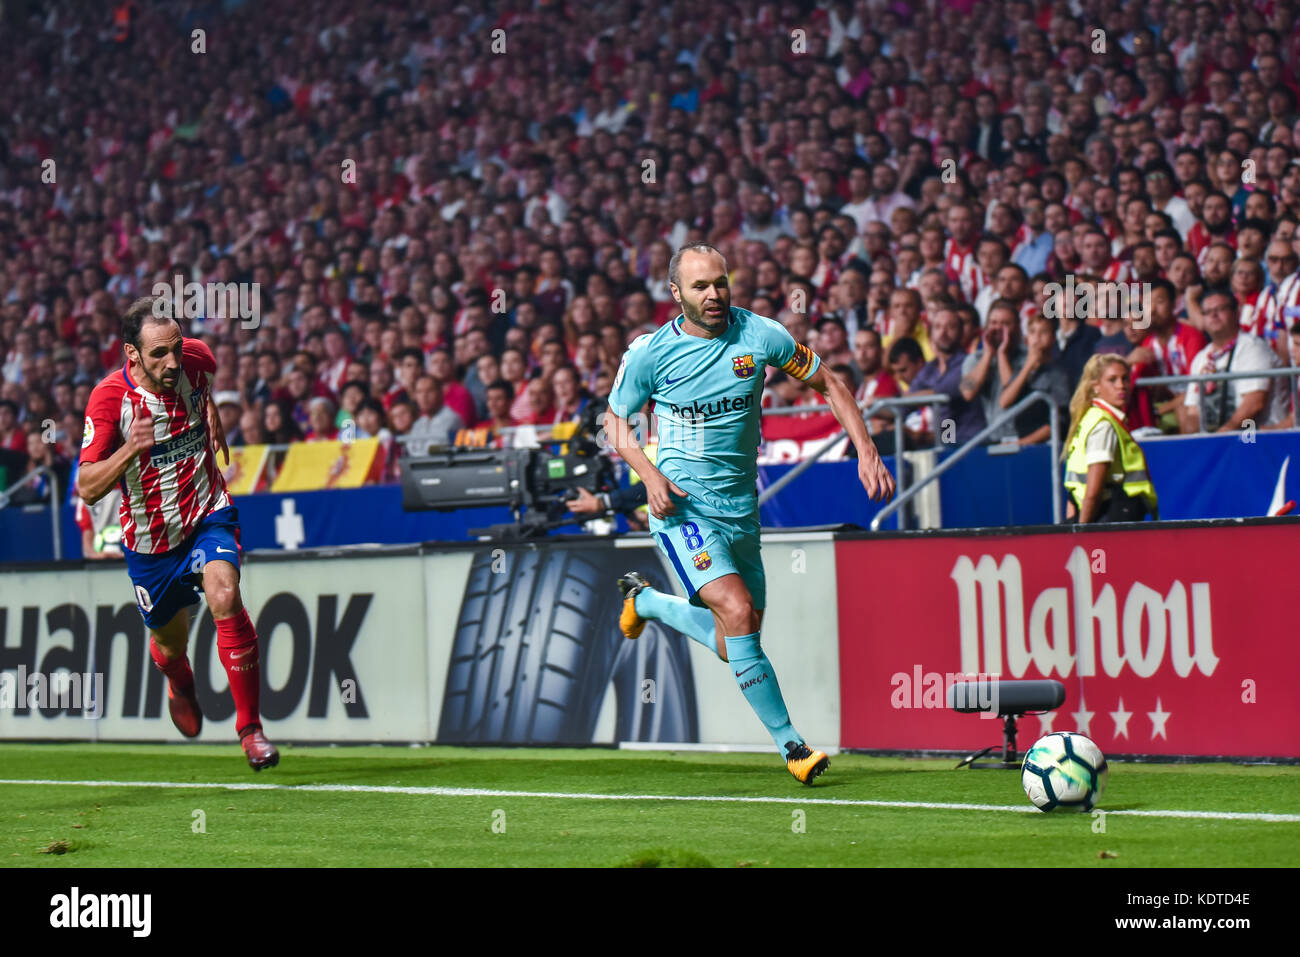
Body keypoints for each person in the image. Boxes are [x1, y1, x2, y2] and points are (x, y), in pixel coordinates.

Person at [605, 242, 894, 785]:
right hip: (682, 510)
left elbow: (830, 383)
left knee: (735, 637)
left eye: (720, 282)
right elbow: (615, 421)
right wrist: (650, 476)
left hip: (741, 512)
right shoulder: (649, 354)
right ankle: (794, 747)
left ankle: (646, 601)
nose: (714, 294)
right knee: (736, 612)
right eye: (700, 286)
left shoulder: (760, 335)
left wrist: (867, 450)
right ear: (676, 294)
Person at [77, 296, 278, 770]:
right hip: (151, 541)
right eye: (159, 354)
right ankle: (179, 682)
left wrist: (212, 411)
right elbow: (87, 486)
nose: (173, 361)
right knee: (170, 646)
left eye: (176, 348)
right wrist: (130, 449)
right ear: (132, 355)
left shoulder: (197, 358)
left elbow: (202, 384)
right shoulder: (110, 399)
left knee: (225, 596)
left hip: (208, 511)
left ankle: (250, 730)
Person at [1062, 354, 1158, 523]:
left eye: (1125, 379)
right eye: (1112, 380)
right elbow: (1093, 491)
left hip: (1097, 514)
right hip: (1108, 515)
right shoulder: (1103, 425)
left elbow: (1073, 492)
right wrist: (1082, 532)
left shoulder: (1091, 417)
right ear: (1096, 386)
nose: (1121, 386)